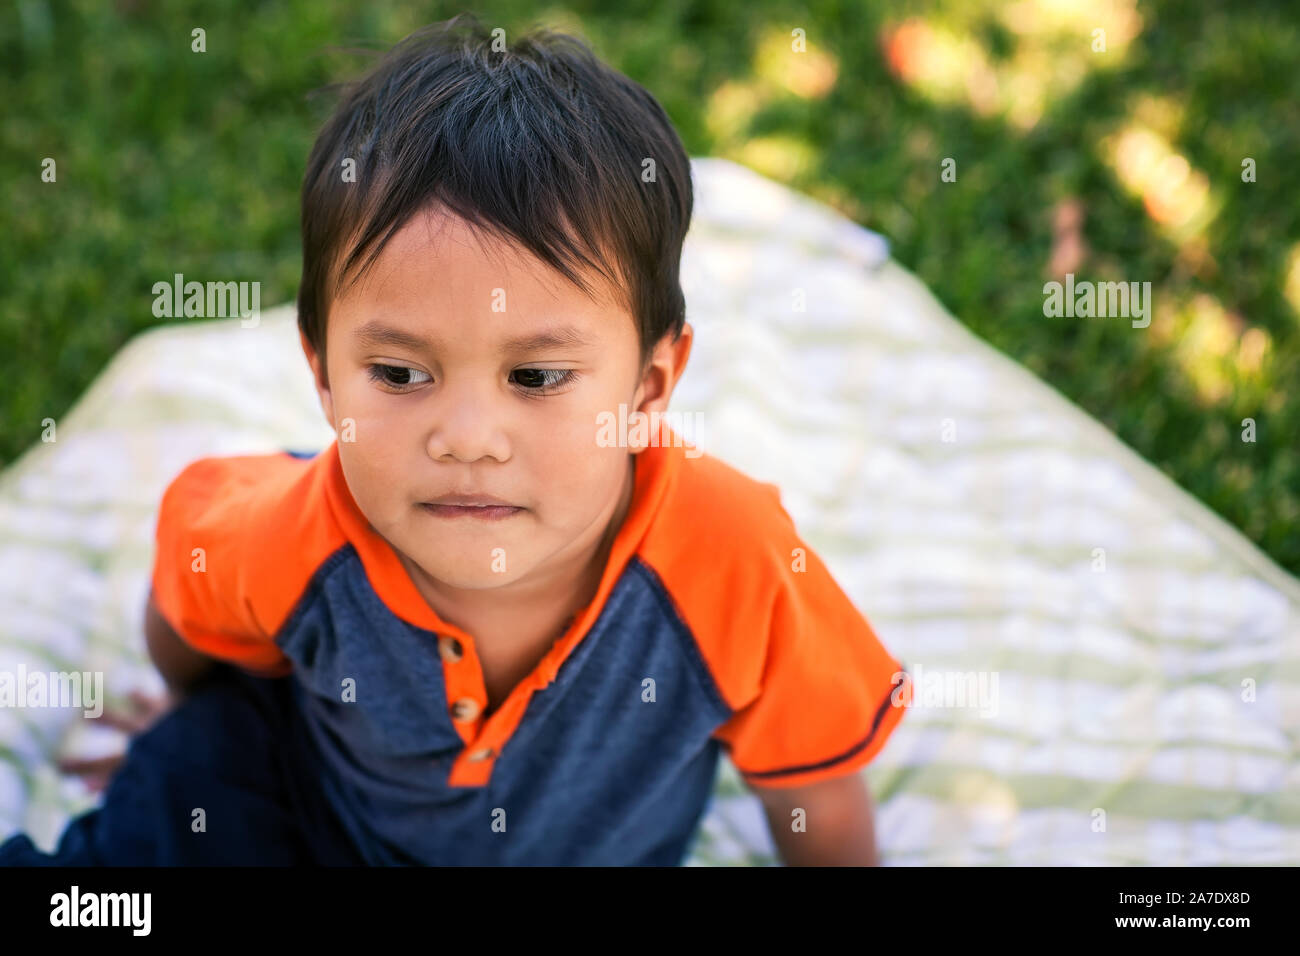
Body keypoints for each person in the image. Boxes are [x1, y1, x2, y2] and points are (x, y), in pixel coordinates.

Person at [0, 13, 909, 866]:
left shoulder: (735, 564)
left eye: (537, 378)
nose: (468, 439)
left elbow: (817, 788)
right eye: (398, 376)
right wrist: (183, 722)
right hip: (312, 820)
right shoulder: (290, 536)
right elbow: (190, 586)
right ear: (323, 375)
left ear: (648, 388)